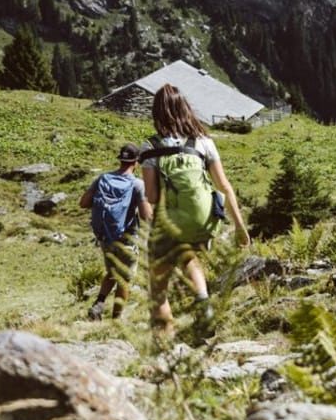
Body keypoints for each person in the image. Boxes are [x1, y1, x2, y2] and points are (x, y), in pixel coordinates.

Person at [140, 83, 251, 335]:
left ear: (157, 113)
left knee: (158, 286)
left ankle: (164, 344)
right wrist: (240, 228)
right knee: (189, 257)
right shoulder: (203, 142)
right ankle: (203, 303)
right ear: (185, 109)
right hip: (203, 221)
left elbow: (152, 196)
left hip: (170, 223)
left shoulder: (150, 147)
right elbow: (224, 186)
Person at [80, 143, 148, 321]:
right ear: (136, 162)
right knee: (124, 279)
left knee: (111, 272)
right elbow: (145, 215)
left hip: (105, 238)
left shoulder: (103, 178)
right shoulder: (137, 184)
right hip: (127, 239)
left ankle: (99, 304)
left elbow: (84, 203)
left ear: (120, 160)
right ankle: (117, 319)